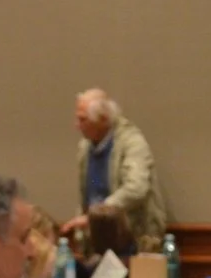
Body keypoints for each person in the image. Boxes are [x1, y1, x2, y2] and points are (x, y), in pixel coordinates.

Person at [63, 89, 168, 252]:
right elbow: (88, 194)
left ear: (103, 119)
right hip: (97, 240)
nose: (76, 126)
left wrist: (99, 214)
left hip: (132, 239)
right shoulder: (85, 147)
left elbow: (136, 188)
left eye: (82, 119)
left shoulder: (132, 142)